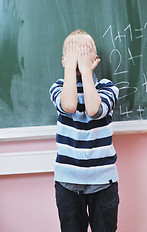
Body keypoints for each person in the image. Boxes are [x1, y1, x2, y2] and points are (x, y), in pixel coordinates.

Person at [49, 29, 119, 232]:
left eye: (83, 50)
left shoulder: (108, 88)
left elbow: (94, 109)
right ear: (64, 61)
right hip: (67, 182)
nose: (78, 56)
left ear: (95, 59)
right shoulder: (58, 88)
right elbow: (69, 106)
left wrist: (86, 72)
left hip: (103, 182)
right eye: (73, 51)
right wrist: (70, 69)